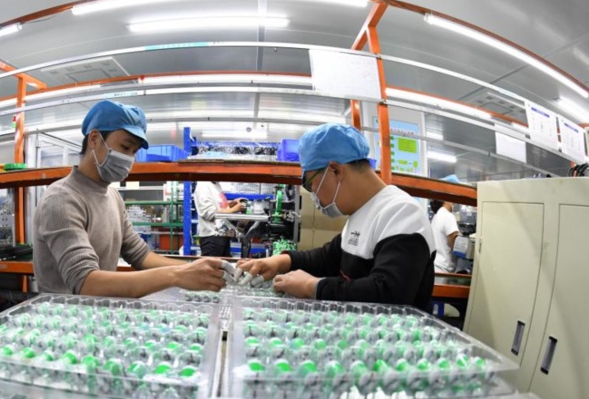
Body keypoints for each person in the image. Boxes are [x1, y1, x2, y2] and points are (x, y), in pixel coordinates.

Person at [33, 100, 226, 298]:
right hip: (61, 320)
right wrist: (176, 275)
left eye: (134, 152)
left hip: (97, 313)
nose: (130, 159)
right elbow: (85, 282)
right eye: (125, 147)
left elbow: (140, 254)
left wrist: (197, 268)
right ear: (94, 139)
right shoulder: (61, 200)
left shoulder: (113, 197)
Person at [237, 123, 436, 309]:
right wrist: (280, 261)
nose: (314, 195)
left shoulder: (402, 213)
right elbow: (327, 258)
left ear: (335, 170)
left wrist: (312, 286)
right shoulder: (362, 213)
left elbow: (388, 293)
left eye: (310, 184)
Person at [193, 181, 245, 257]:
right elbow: (209, 213)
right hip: (211, 236)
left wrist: (232, 204)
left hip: (222, 234)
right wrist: (234, 209)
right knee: (211, 267)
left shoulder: (216, 185)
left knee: (223, 266)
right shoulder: (203, 186)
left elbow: (219, 207)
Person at [430, 199, 460, 273]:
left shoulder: (437, 215)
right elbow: (455, 245)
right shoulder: (448, 216)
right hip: (443, 268)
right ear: (446, 200)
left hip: (434, 265)